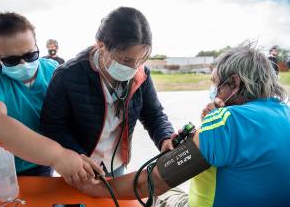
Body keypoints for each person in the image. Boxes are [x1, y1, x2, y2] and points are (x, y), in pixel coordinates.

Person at [77, 43, 290, 207]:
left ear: (234, 83)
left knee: (164, 193)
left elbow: (152, 182)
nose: (214, 90)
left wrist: (97, 188)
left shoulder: (227, 121)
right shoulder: (284, 112)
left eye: (216, 83)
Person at [40, 7, 175, 179]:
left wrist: (165, 137)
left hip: (115, 163)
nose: (134, 67)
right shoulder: (67, 75)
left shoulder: (141, 76)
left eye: (141, 59)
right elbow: (53, 125)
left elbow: (154, 114)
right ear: (101, 46)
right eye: (126, 60)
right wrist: (77, 157)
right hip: (80, 164)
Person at [0, 12, 103, 180]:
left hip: (40, 165)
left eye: (30, 55)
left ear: (36, 44)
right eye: (11, 60)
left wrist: (76, 152)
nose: (24, 64)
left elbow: (67, 119)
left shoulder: (52, 70)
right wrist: (59, 156)